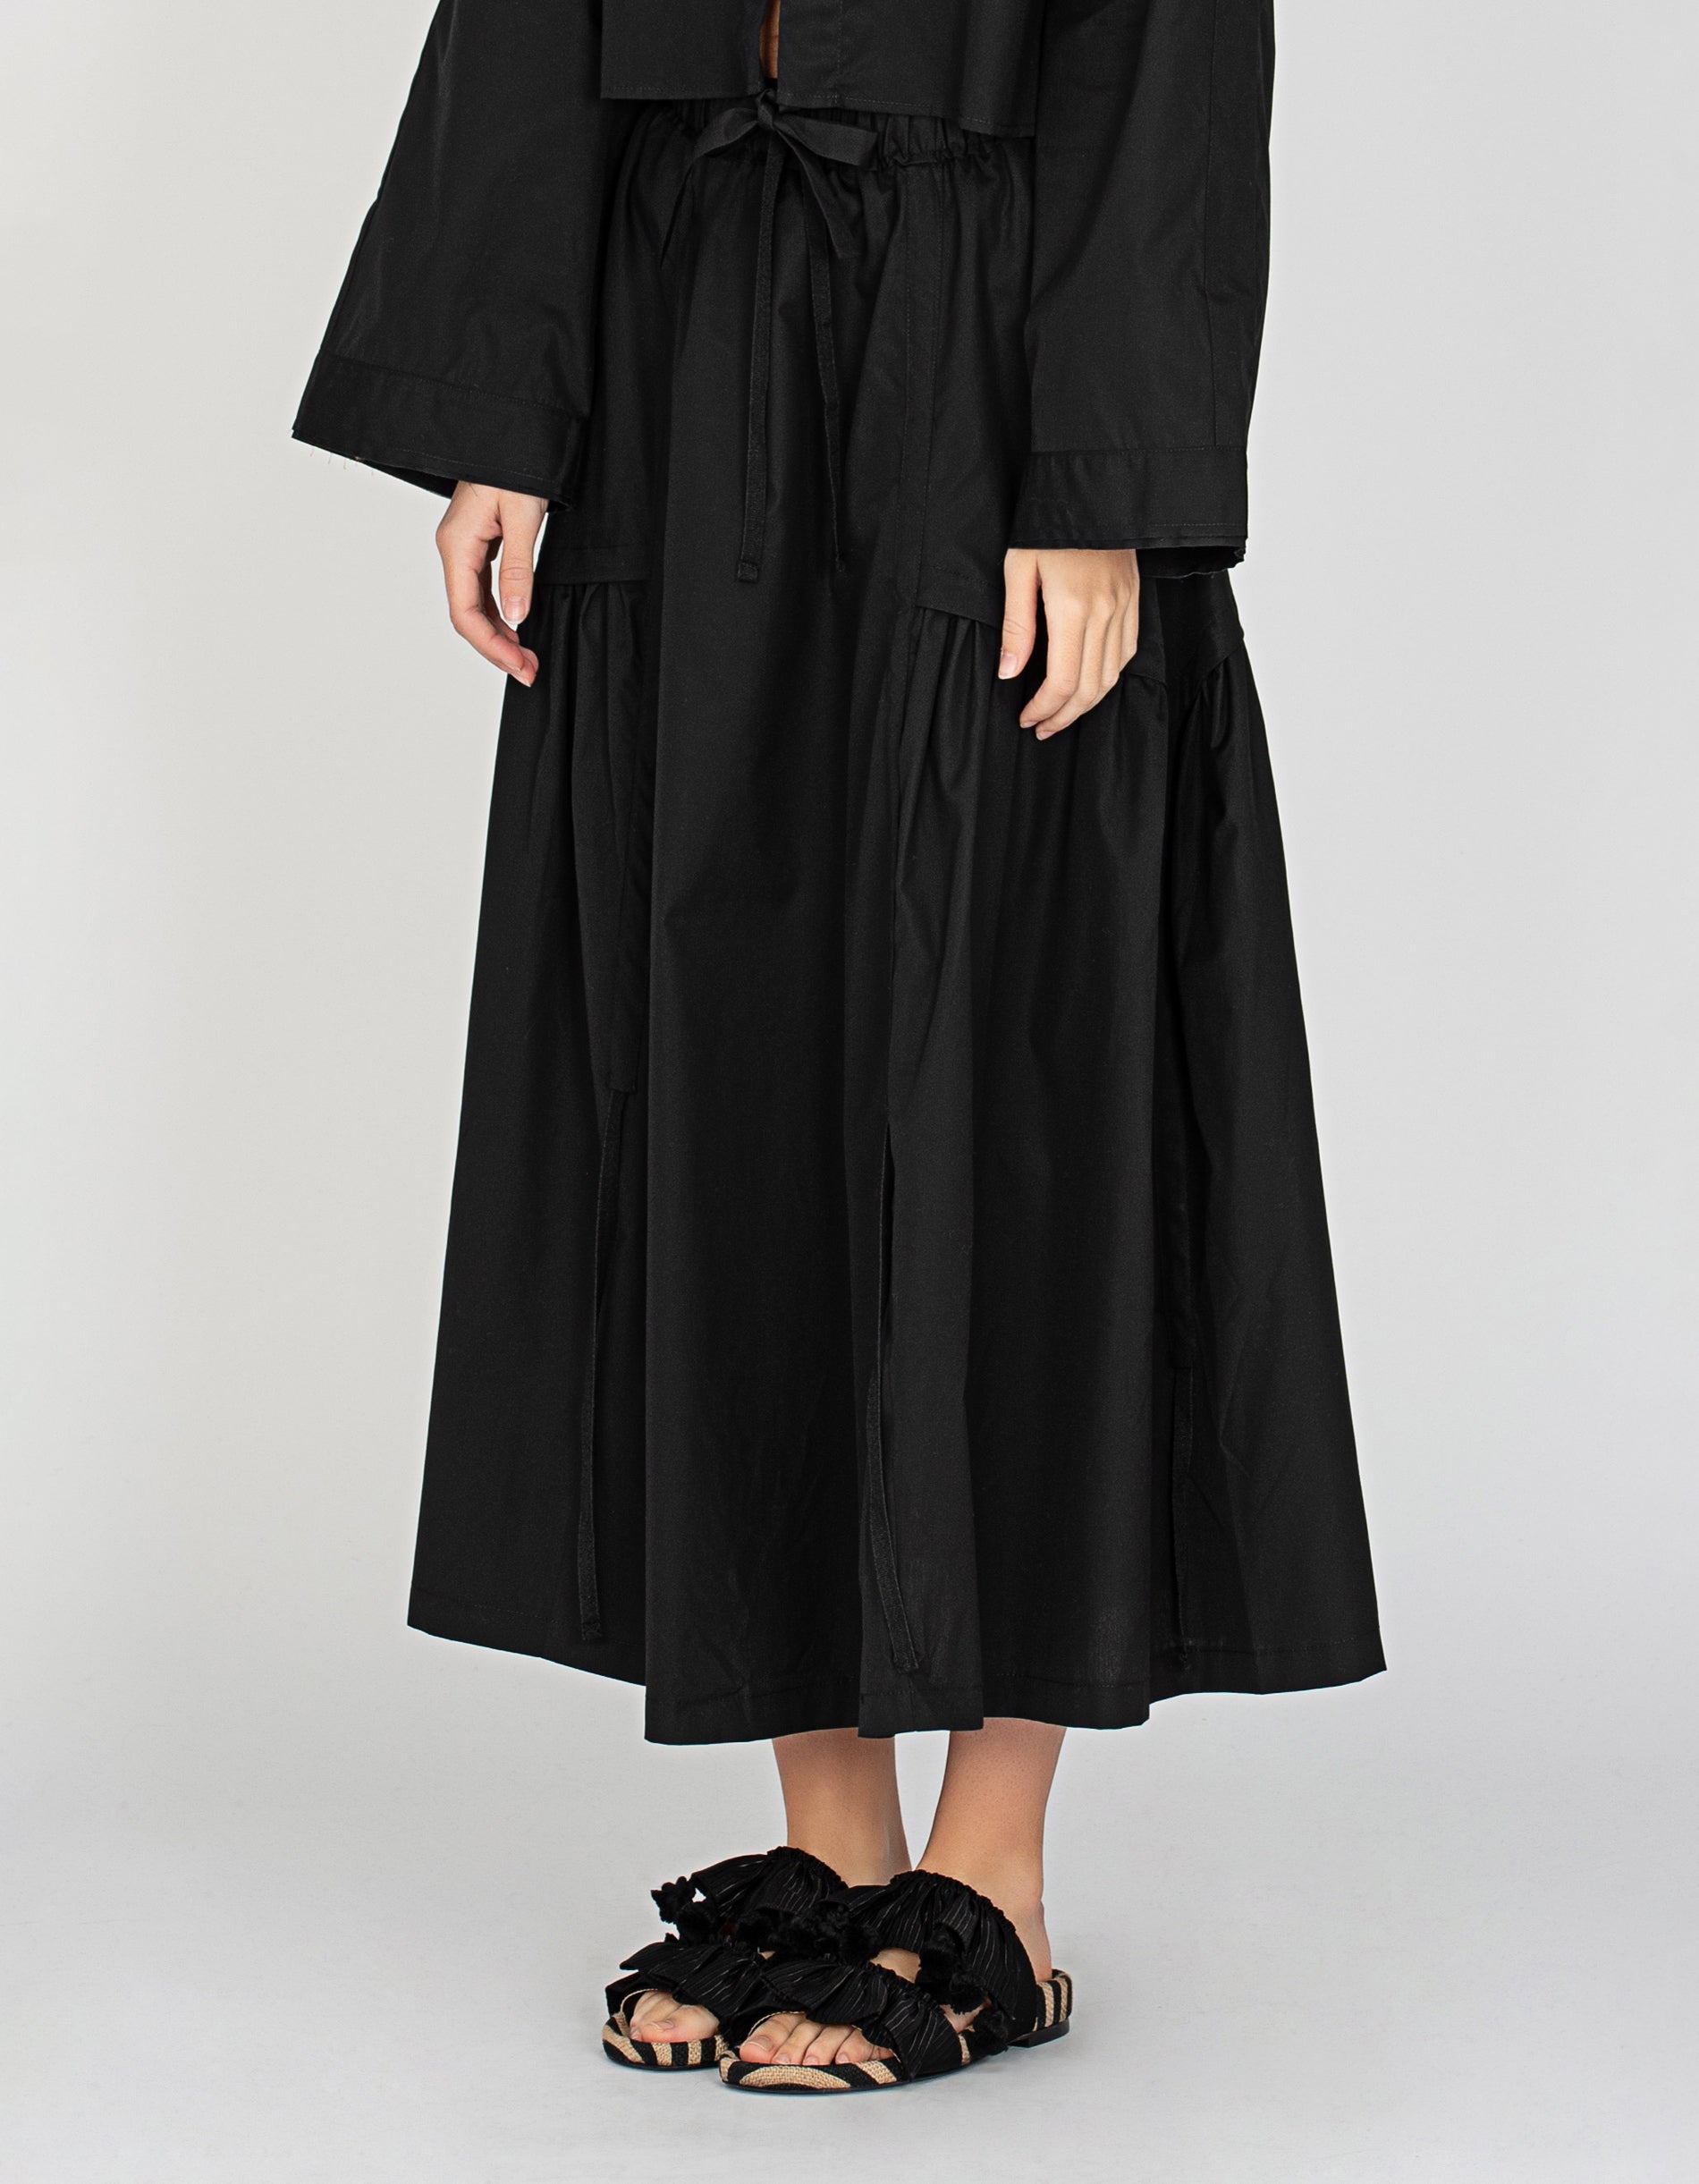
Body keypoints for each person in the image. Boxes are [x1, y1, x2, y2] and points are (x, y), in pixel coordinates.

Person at [294, 0, 1383, 2095]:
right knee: (729, 1072)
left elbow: (1171, 41)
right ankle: (835, 1845)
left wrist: (1099, 471)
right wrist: (503, 404)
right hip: (680, 353)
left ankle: (997, 1876)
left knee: (1025, 1077)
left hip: (991, 362)